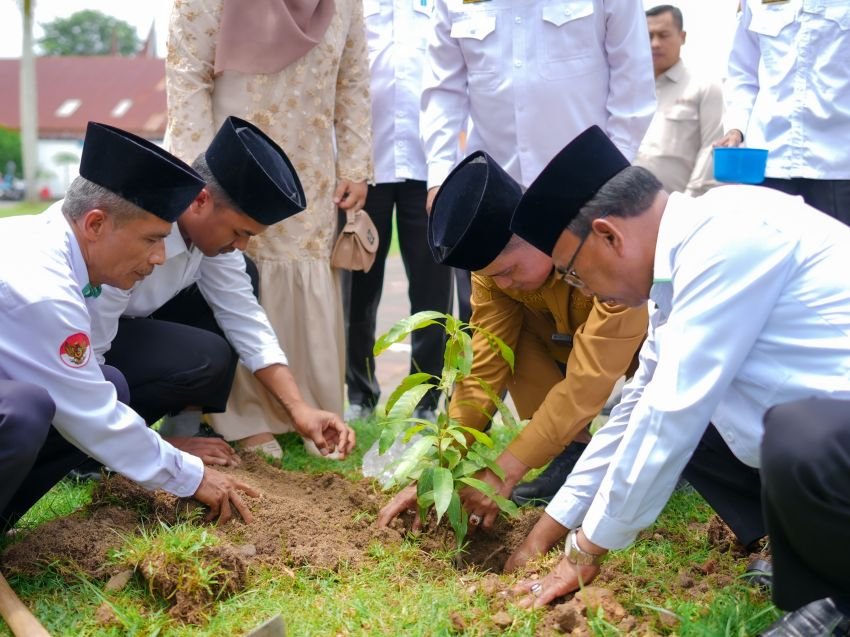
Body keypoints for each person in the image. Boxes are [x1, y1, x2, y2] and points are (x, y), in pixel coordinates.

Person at [505, 125, 850, 636]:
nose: (585, 291)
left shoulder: (729, 237)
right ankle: (805, 557)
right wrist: (548, 532)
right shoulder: (680, 264)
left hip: (832, 430)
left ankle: (839, 599)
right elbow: (636, 410)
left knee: (781, 432)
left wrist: (586, 549)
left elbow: (670, 412)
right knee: (702, 424)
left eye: (574, 274)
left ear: (608, 235)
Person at [0, 122, 257, 528]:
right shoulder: (44, 289)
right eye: (151, 239)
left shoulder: (54, 244)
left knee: (111, 383)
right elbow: (91, 414)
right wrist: (191, 476)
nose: (159, 258)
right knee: (24, 410)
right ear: (95, 224)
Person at [376, 150, 647, 529]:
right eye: (493, 276)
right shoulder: (493, 276)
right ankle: (571, 449)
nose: (503, 283)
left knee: (659, 427)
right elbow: (484, 365)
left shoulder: (602, 257)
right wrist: (439, 469)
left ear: (536, 236)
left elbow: (588, 381)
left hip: (647, 351)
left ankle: (684, 449)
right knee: (508, 344)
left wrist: (506, 470)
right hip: (565, 342)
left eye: (509, 269)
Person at [165, 0, 373, 450]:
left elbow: (353, 79)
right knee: (232, 266)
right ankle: (237, 413)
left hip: (310, 155)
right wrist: (199, 176)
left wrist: (356, 164)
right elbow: (187, 76)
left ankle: (304, 406)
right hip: (228, 153)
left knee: (298, 259)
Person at [88, 116, 355, 463]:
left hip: (121, 332)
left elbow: (244, 318)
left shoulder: (206, 239)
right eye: (239, 232)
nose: (241, 245)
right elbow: (89, 355)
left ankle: (179, 426)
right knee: (199, 356)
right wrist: (151, 449)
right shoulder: (135, 226)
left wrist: (299, 409)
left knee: (237, 292)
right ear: (200, 200)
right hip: (78, 344)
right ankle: (98, 450)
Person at [343, 0, 453, 421]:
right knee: (359, 288)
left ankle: (424, 400)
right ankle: (360, 393)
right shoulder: (354, 9)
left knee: (431, 291)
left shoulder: (439, 7)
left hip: (429, 172)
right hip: (365, 171)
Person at [716, 0, 850, 224]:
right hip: (769, 160)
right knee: (765, 245)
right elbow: (742, 72)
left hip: (837, 164)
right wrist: (736, 127)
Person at [634, 4, 723, 197]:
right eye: (649, 36)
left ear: (682, 37)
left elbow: (712, 149)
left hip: (680, 205)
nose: (655, 44)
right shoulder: (631, 90)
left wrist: (688, 204)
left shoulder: (704, 87)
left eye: (663, 35)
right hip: (629, 206)